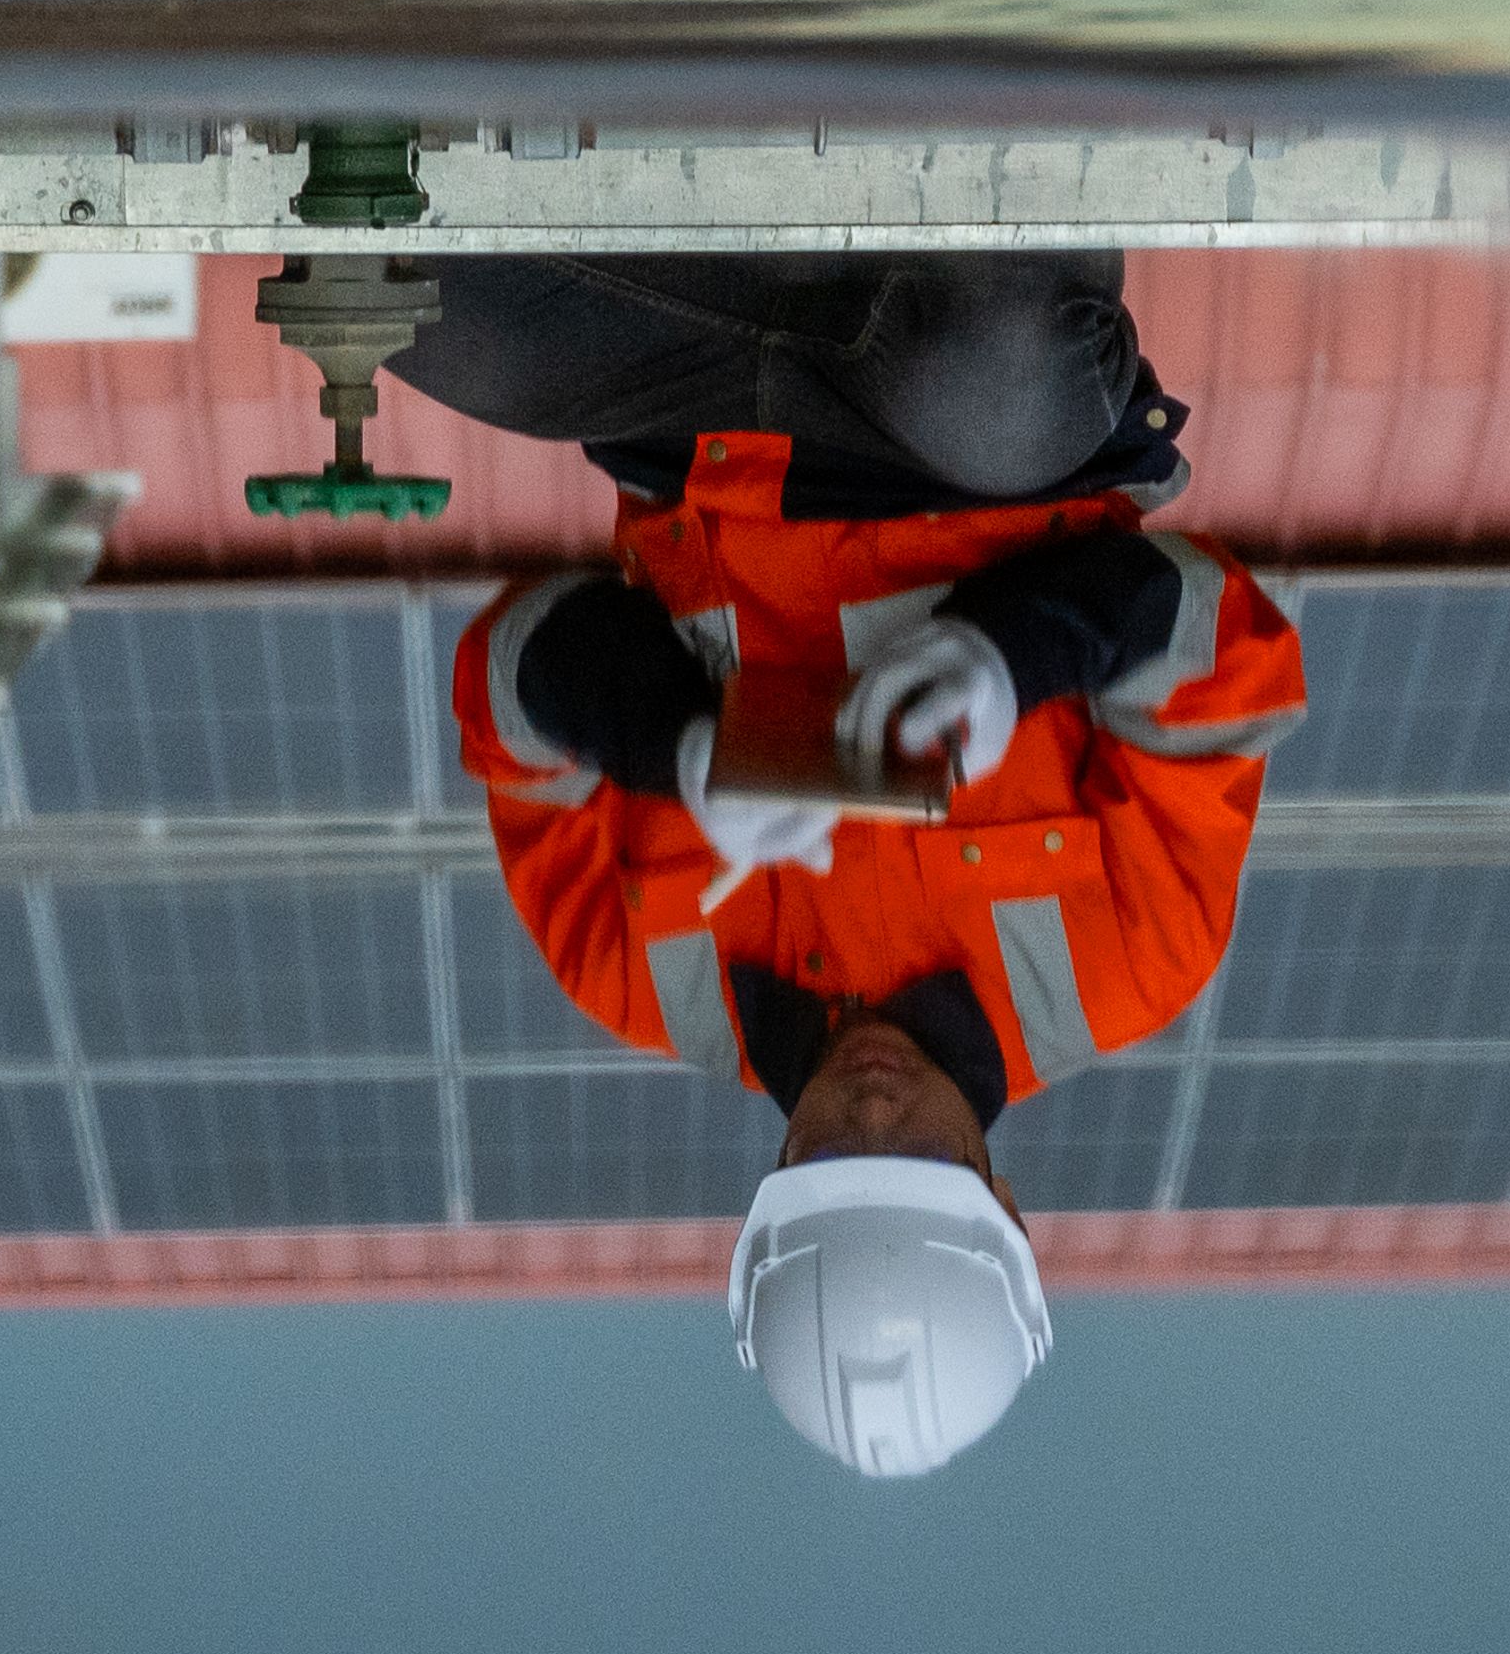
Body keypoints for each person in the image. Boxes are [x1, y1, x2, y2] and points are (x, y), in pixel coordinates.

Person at [414, 254, 1302, 1475]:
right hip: (985, 450)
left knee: (406, 297)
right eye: (920, 1152)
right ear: (1000, 1192)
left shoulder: (635, 976)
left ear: (778, 1181)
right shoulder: (1136, 961)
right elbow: (1228, 642)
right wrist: (1016, 652)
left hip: (696, 427)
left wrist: (676, 742)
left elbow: (503, 678)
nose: (874, 1104)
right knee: (992, 354)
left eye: (837, 1149)